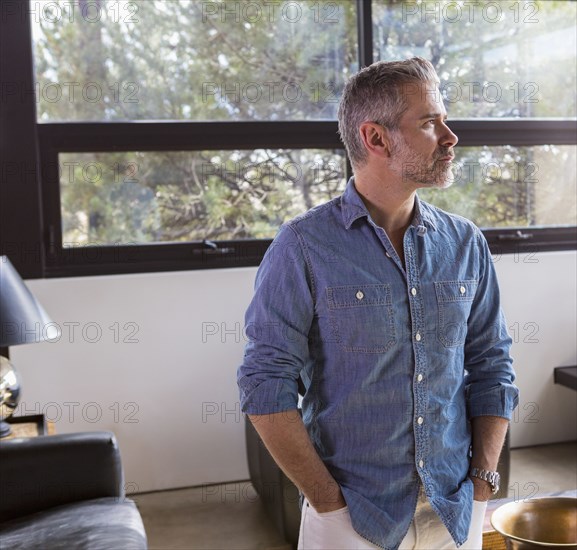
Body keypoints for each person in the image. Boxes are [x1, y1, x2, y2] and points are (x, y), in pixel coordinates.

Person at [237, 57, 519, 549]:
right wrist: (328, 501)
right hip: (350, 517)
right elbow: (264, 385)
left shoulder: (466, 243)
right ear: (376, 138)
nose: (451, 136)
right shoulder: (302, 247)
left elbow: (493, 365)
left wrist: (481, 482)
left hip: (455, 512)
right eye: (430, 122)